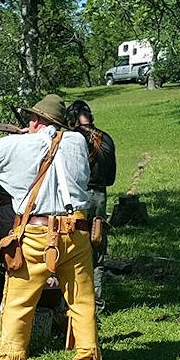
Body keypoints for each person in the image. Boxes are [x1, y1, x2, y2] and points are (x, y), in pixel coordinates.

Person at [0, 94, 103, 360]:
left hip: (36, 234)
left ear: (36, 120)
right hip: (78, 231)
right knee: (82, 303)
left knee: (18, 303)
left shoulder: (22, 144)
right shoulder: (77, 142)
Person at [66, 100, 116, 314]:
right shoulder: (106, 139)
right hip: (99, 198)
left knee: (72, 248)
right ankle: (96, 304)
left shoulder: (72, 139)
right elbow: (111, 178)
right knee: (97, 249)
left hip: (77, 197)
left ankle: (74, 301)